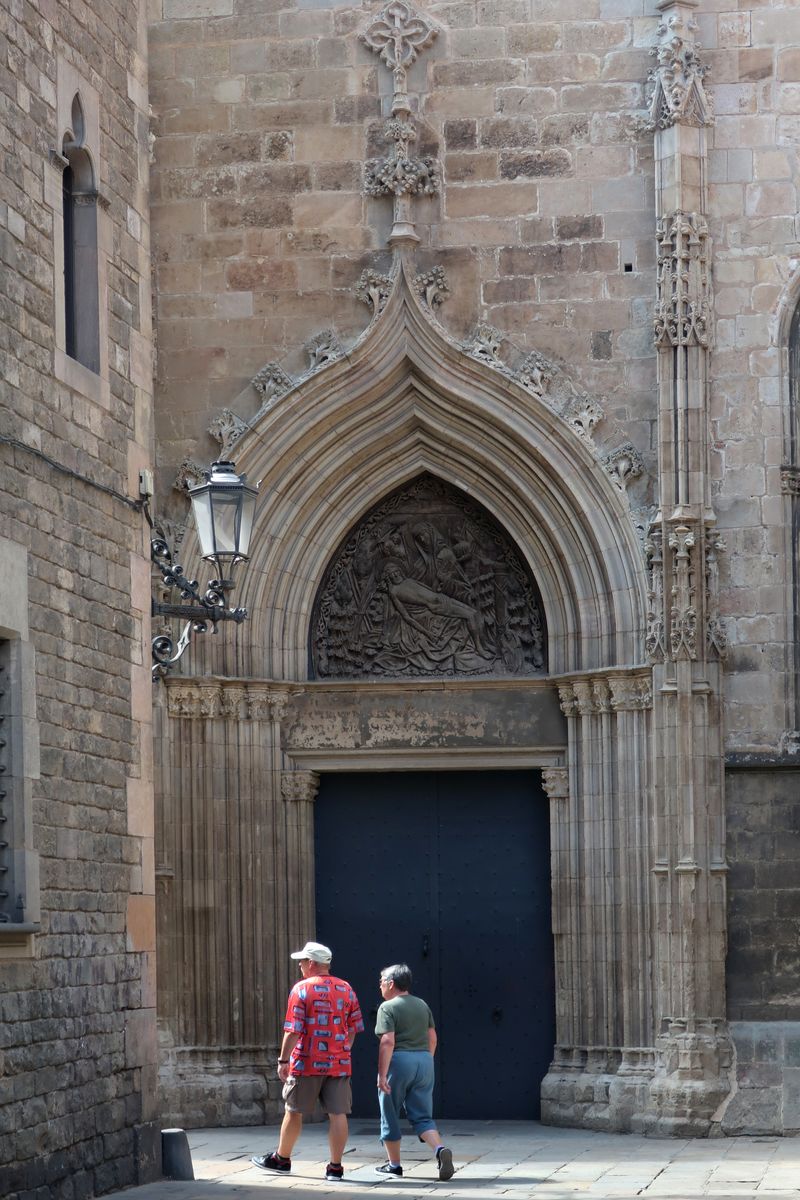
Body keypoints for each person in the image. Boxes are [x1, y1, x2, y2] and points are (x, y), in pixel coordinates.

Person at [251, 941, 364, 1182]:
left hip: (306, 1062)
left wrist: (283, 1060)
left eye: (302, 961)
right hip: (339, 1062)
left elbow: (293, 1030)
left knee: (293, 1111)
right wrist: (343, 1049)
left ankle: (282, 1159)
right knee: (338, 1113)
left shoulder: (301, 989)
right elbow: (354, 1027)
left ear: (312, 963)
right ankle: (335, 1168)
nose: (300, 966)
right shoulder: (346, 988)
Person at [374, 963, 454, 1181]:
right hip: (424, 1061)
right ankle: (439, 1149)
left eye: (381, 980)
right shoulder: (422, 1004)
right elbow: (433, 1039)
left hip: (399, 1061)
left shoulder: (387, 1007)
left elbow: (388, 1041)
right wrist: (426, 1059)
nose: (379, 985)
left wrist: (382, 1075)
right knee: (422, 1116)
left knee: (389, 1112)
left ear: (391, 983)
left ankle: (395, 1165)